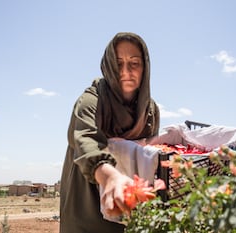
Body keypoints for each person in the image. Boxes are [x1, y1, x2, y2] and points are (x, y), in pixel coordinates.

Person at [59, 32, 160, 233]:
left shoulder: (149, 111)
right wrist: (110, 177)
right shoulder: (92, 100)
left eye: (134, 63)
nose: (126, 71)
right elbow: (85, 140)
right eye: (118, 63)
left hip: (128, 202)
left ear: (145, 67)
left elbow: (150, 154)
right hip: (87, 202)